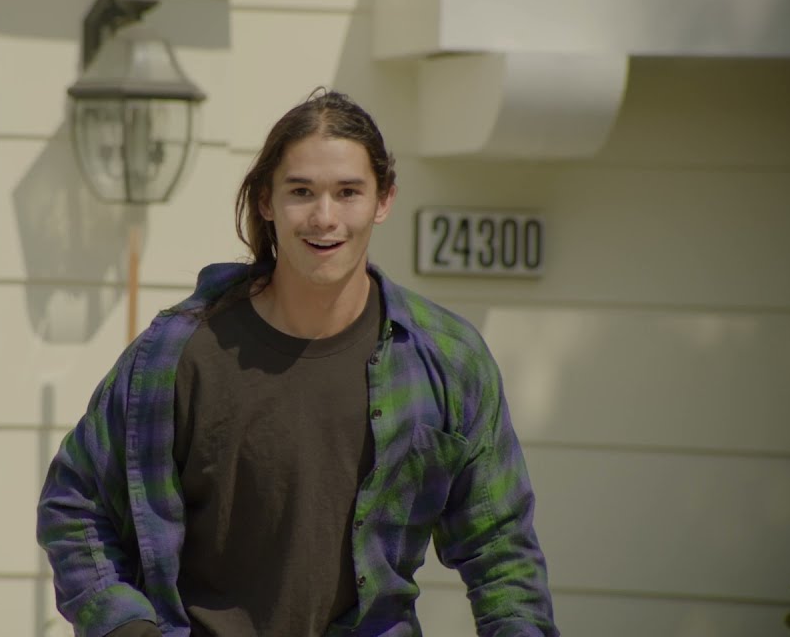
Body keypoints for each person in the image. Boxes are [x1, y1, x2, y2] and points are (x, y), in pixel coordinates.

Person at [38, 90, 557, 637]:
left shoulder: (448, 360)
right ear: (267, 201)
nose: (324, 217)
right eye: (301, 192)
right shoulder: (177, 356)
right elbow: (76, 505)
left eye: (348, 192)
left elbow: (502, 550)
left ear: (383, 200)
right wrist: (127, 628)